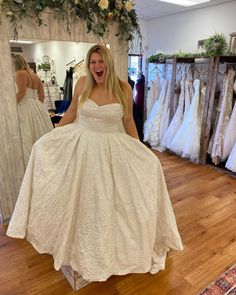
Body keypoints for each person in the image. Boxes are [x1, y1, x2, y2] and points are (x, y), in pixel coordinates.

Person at [7, 45, 183, 282]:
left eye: (101, 62)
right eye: (93, 62)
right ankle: (78, 249)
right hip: (83, 145)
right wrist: (52, 135)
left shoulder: (123, 87)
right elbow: (70, 113)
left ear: (108, 63)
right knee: (82, 200)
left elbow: (129, 120)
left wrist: (140, 149)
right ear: (89, 66)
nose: (97, 67)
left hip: (113, 148)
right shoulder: (82, 84)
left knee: (112, 202)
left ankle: (109, 252)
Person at [12, 54, 53, 167]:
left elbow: (21, 93)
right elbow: (42, 97)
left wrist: (10, 106)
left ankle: (29, 165)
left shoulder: (20, 73)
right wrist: (37, 107)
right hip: (38, 107)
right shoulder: (35, 76)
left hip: (25, 107)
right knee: (39, 135)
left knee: (27, 137)